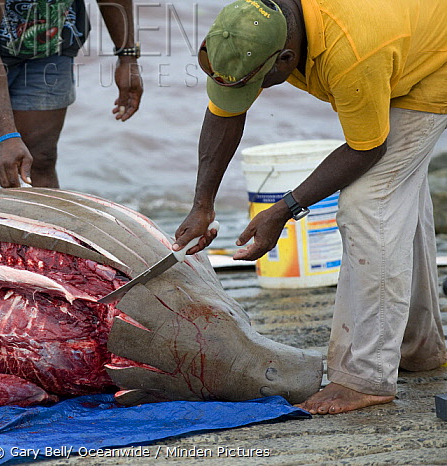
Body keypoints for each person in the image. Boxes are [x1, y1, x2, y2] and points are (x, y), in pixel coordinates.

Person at [173, 0, 447, 414]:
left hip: (435, 61)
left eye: (258, 83)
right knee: (397, 194)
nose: (251, 94)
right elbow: (225, 110)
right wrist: (202, 205)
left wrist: (283, 210)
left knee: (368, 204)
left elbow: (366, 148)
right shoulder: (252, 27)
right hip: (400, 36)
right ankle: (421, 348)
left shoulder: (353, 50)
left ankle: (366, 375)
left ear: (287, 59)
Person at [0, 0, 143, 205]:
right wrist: (5, 136)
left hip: (48, 37)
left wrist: (127, 56)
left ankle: (43, 248)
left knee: (40, 160)